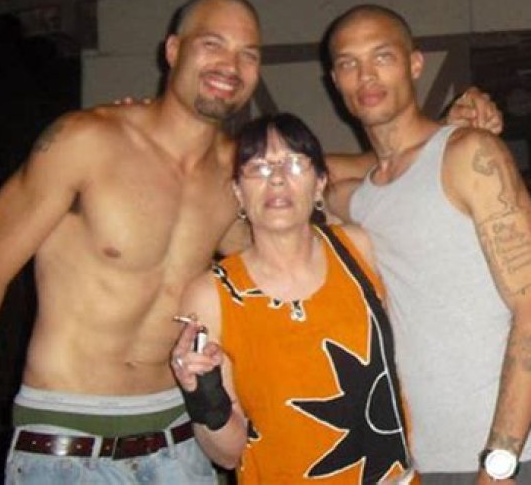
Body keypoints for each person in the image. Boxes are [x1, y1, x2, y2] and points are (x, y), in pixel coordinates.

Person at [0, 0, 500, 484]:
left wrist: (445, 133)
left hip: (180, 445)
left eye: (248, 54)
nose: (230, 65)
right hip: (68, 444)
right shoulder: (85, 142)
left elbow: (350, 164)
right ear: (173, 50)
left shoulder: (236, 175)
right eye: (212, 44)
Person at [325, 5, 531, 484]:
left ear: (415, 64)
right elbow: (286, 168)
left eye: (382, 56)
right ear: (335, 80)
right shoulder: (358, 198)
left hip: (507, 460)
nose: (366, 75)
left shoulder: (470, 154)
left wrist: (499, 463)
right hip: (417, 465)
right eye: (349, 63)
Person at [171, 112, 415, 483]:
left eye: (294, 163)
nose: (277, 179)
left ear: (319, 184)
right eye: (258, 168)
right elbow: (227, 454)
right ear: (238, 192)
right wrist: (202, 394)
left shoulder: (359, 250)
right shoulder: (211, 295)